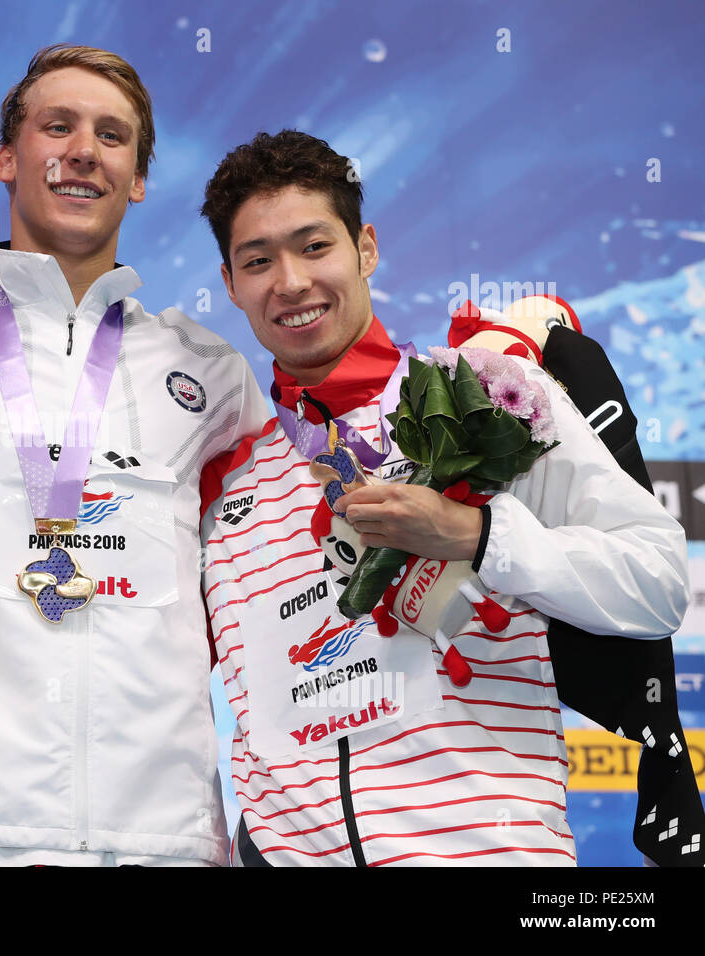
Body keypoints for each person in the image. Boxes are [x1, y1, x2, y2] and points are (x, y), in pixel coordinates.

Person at [198, 130, 689, 866]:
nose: (291, 282)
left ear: (365, 248)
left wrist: (476, 533)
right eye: (258, 260)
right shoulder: (232, 482)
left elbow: (658, 581)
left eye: (314, 246)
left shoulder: (488, 397)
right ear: (231, 283)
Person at [0, 45, 269, 865]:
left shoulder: (212, 376)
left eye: (113, 135)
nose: (85, 149)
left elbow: (280, 569)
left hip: (162, 842)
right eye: (58, 126)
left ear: (139, 178)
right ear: (8, 160)